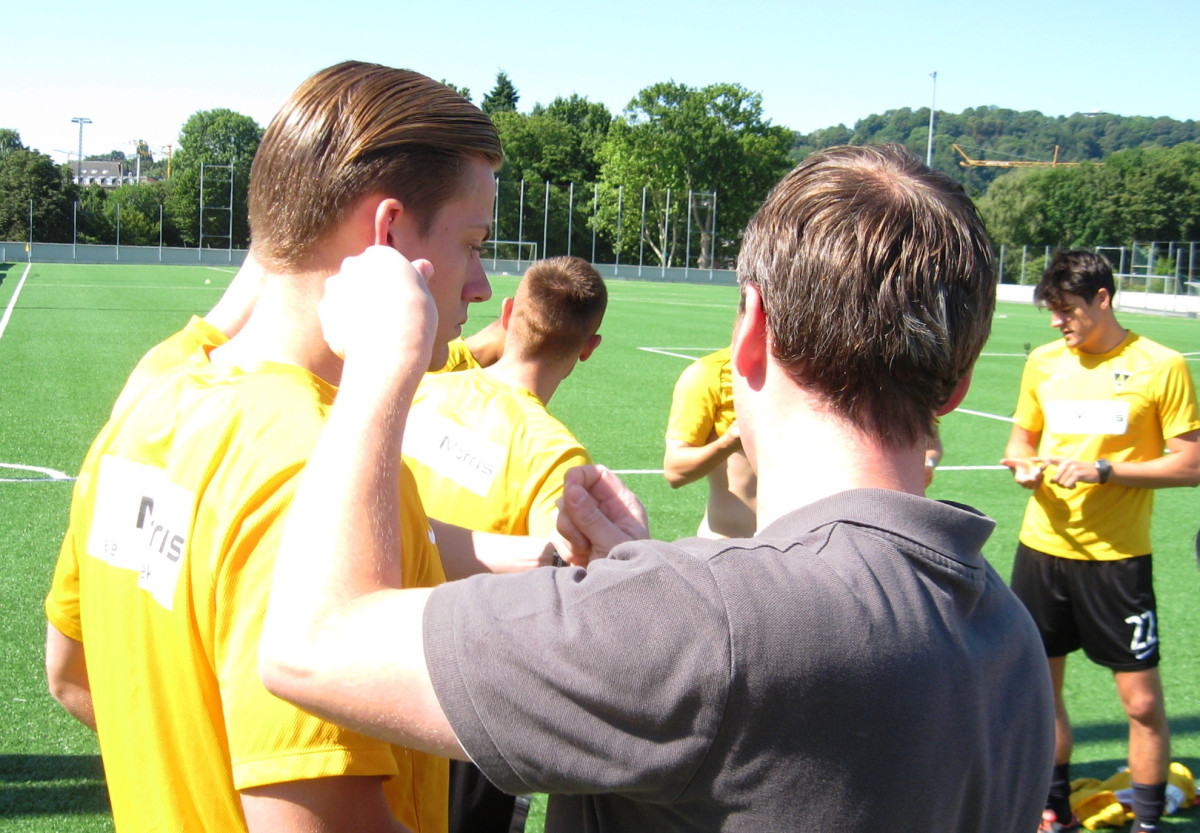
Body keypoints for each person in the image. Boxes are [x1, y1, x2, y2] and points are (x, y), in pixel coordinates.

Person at [259, 143, 1056, 832]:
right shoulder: (1011, 640)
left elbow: (312, 646)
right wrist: (646, 582)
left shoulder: (704, 625)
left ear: (751, 332)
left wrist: (381, 365)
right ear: (956, 384)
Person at [42, 60, 548, 832]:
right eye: (473, 243)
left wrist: (549, 560)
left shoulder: (151, 398)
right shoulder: (312, 467)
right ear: (387, 235)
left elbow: (72, 674)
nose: (481, 285)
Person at [404, 255, 606, 832]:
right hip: (462, 701)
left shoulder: (423, 388)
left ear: (510, 313)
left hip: (372, 662)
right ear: (589, 348)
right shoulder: (555, 456)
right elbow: (560, 590)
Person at [1001, 249, 1200, 833]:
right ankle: (1052, 808)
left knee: (1141, 703)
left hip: (1117, 560)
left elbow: (1190, 464)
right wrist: (1022, 466)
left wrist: (1105, 471)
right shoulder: (1043, 362)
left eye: (1068, 310)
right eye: (1052, 311)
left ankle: (1147, 822)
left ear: (1103, 299)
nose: (1057, 322)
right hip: (1042, 550)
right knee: (1042, 693)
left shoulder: (1161, 366)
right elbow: (1020, 442)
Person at [663, 347, 757, 537]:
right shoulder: (709, 372)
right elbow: (675, 471)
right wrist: (730, 441)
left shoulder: (812, 371)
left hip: (804, 542)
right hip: (730, 544)